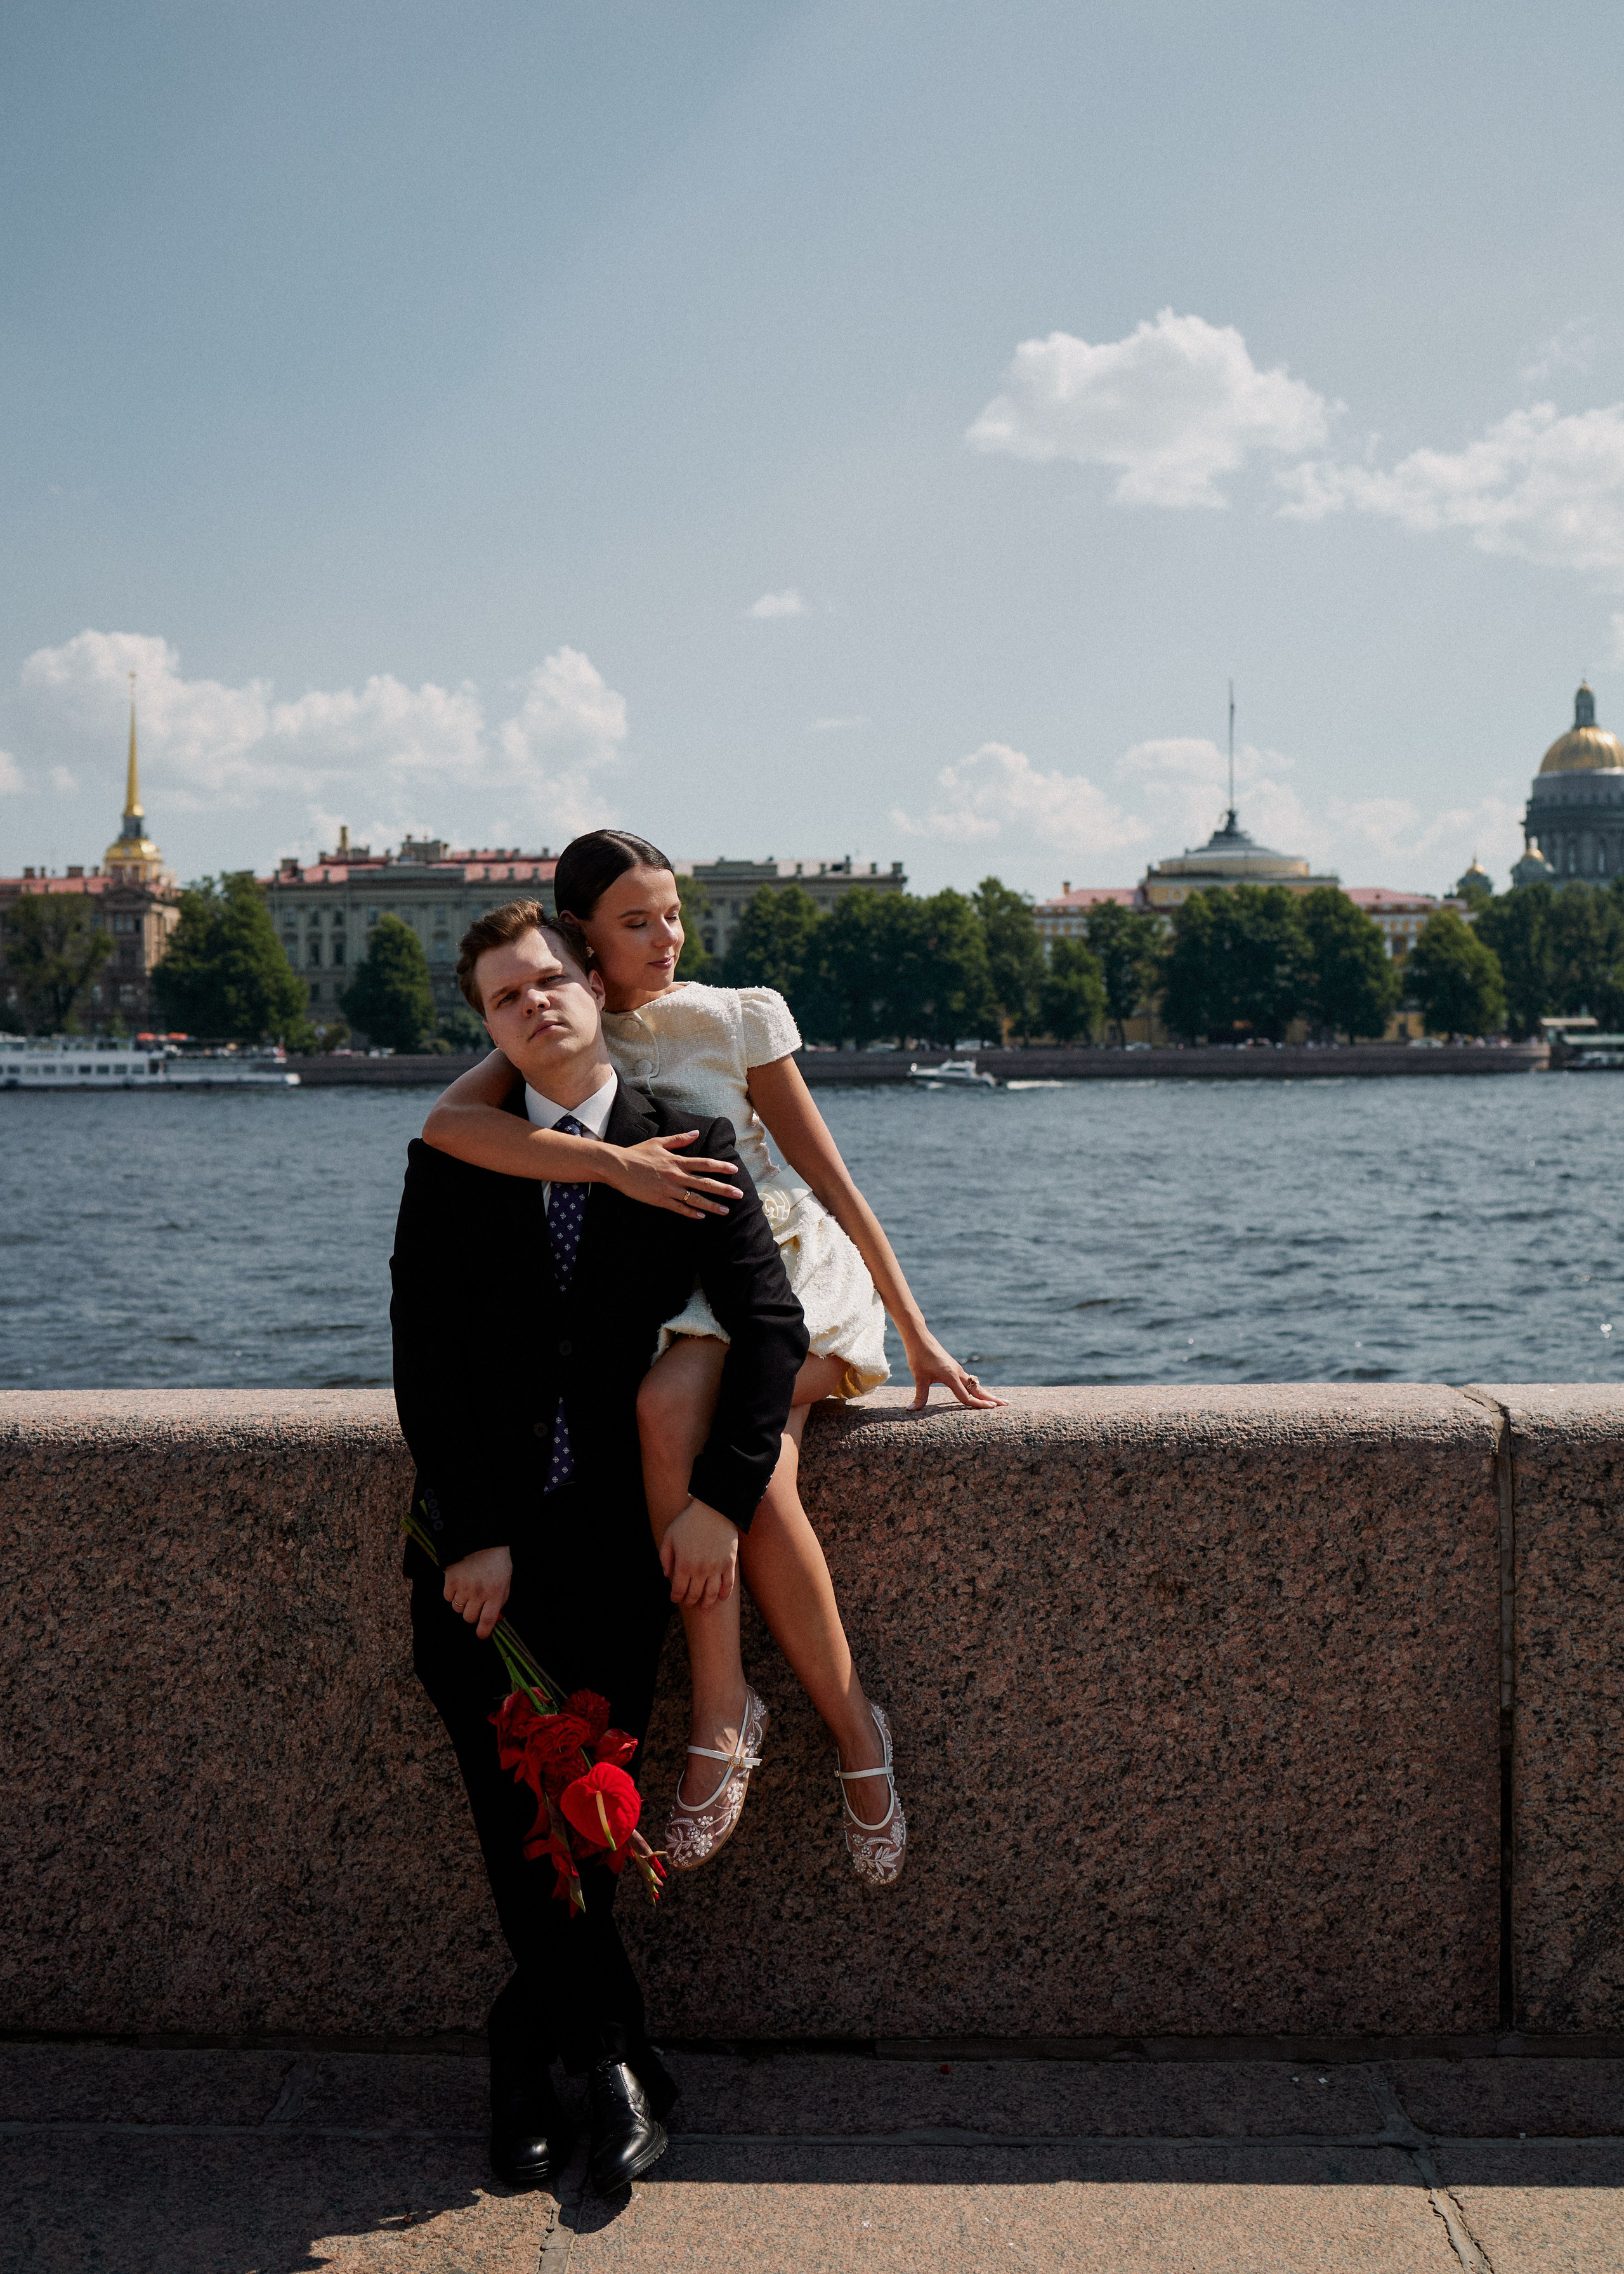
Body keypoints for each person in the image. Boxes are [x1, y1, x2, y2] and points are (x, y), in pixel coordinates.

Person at [422, 829, 1004, 1891]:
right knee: (667, 1413)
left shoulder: (739, 1014)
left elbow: (833, 1180)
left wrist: (916, 1327)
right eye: (637, 922)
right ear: (583, 942)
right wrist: (616, 1166)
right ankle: (767, 1713)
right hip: (694, 1296)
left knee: (754, 1466)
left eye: (674, 913)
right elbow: (449, 1125)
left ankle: (800, 1726)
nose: (667, 939)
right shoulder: (565, 1009)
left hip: (788, 1272)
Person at [391, 903, 806, 2197]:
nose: (534, 1005)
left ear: (591, 984)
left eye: (549, 980)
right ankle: (615, 2061)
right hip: (480, 1563)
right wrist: (474, 1533)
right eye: (504, 997)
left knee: (593, 1813)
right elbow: (426, 1358)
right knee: (518, 1818)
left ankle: (526, 2050)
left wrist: (719, 1502)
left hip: (623, 1550)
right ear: (488, 1027)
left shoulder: (689, 1141)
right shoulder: (454, 1159)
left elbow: (771, 1329)